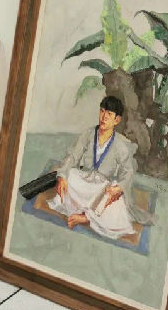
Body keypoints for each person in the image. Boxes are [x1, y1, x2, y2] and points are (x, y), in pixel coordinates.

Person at [48, 96, 154, 239]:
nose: (104, 117)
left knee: (115, 198)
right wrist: (62, 176)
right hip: (86, 180)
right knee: (70, 175)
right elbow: (73, 156)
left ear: (117, 120)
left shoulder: (120, 145)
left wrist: (119, 187)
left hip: (102, 186)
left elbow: (127, 171)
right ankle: (87, 212)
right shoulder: (88, 134)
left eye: (109, 114)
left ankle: (86, 217)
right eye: (102, 111)